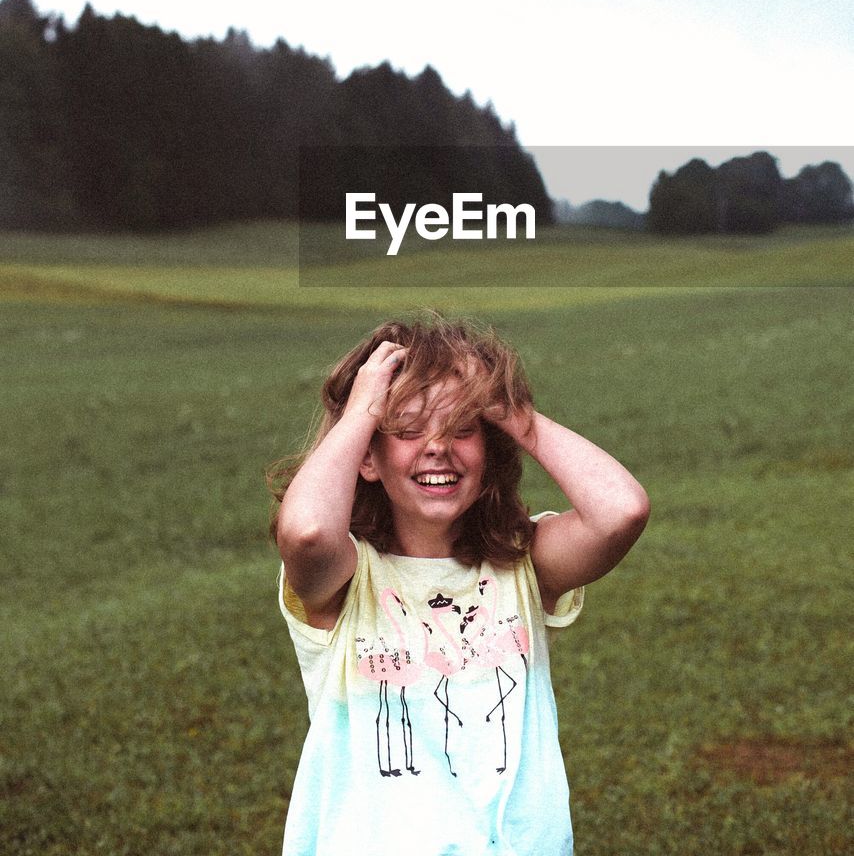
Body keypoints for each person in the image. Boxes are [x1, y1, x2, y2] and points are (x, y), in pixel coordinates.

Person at [268, 316, 650, 856]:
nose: (437, 447)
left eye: (462, 427)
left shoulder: (521, 566)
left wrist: (513, 413)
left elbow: (622, 512)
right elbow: (305, 531)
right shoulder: (346, 578)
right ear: (367, 459)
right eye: (406, 430)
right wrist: (361, 411)